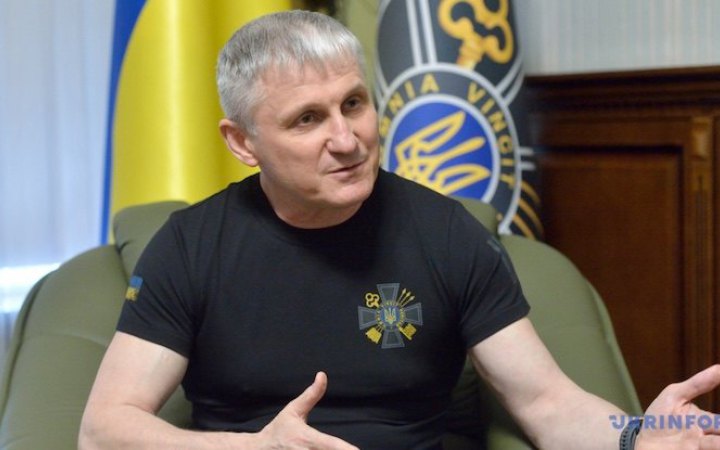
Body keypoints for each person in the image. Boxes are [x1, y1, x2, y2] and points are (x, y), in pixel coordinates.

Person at [79, 10, 720, 450]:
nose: (346, 138)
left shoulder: (447, 234)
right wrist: (252, 448)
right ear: (242, 142)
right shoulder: (191, 246)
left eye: (354, 104)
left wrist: (639, 435)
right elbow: (104, 429)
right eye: (307, 119)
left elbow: (546, 403)